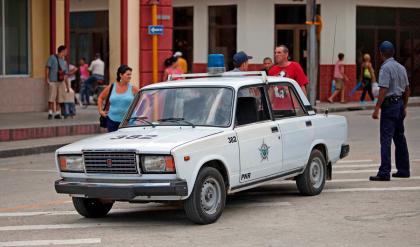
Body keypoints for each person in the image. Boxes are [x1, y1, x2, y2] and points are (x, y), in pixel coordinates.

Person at [369, 41, 410, 181]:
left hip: (390, 107)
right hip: (399, 105)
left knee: (385, 139)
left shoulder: (385, 68)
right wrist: (404, 106)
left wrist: (376, 109)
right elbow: (407, 89)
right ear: (393, 53)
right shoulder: (401, 67)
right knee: (400, 138)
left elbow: (384, 89)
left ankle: (384, 172)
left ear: (381, 54)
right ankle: (404, 169)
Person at [97, 65, 140, 132]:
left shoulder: (133, 88)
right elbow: (100, 98)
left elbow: (145, 99)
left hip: (129, 122)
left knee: (127, 142)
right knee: (113, 142)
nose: (130, 76)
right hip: (112, 121)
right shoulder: (112, 87)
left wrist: (142, 112)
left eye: (130, 75)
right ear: (121, 75)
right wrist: (100, 111)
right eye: (128, 74)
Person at [45, 45, 69, 119]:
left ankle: (57, 113)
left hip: (61, 82)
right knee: (51, 97)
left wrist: (67, 86)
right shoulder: (52, 58)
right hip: (53, 81)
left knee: (59, 98)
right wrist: (47, 78)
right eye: (66, 51)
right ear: (62, 51)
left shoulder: (64, 62)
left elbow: (65, 75)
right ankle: (50, 112)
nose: (66, 52)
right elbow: (47, 68)